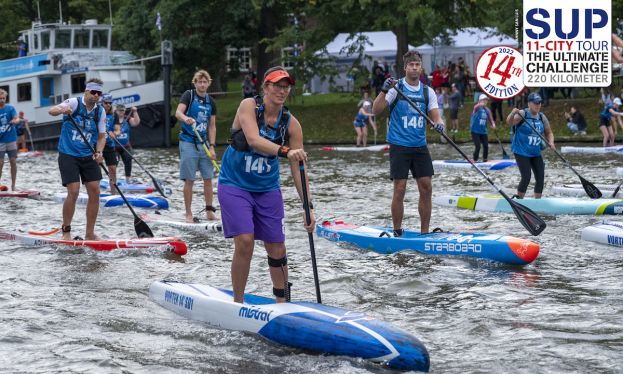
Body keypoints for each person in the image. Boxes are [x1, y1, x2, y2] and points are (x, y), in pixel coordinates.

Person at [217, 66, 315, 303]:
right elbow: (253, 139)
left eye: (286, 87)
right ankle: (237, 303)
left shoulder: (292, 125)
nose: (282, 91)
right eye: (277, 86)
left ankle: (283, 303)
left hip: (267, 189)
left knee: (277, 248)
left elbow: (297, 169)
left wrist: (307, 207)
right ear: (265, 87)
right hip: (235, 185)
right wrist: (285, 151)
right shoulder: (248, 106)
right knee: (245, 241)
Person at [372, 50, 442, 236]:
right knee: (400, 188)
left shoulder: (428, 92)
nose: (414, 67)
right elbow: (375, 110)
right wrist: (384, 90)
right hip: (399, 145)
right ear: (405, 68)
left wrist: (439, 125)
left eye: (417, 64)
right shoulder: (396, 88)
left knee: (426, 187)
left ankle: (424, 233)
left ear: (421, 67)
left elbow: (436, 117)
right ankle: (397, 231)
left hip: (420, 146)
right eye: (411, 65)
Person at [48, 78, 107, 240]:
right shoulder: (74, 103)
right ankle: (66, 231)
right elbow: (52, 111)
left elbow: (102, 136)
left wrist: (99, 152)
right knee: (73, 191)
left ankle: (90, 233)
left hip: (88, 155)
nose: (95, 96)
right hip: (68, 154)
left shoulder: (100, 111)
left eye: (99, 93)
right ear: (86, 91)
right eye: (93, 92)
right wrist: (62, 109)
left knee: (95, 192)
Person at [175, 69, 218, 223]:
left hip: (204, 144)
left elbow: (212, 126)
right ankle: (188, 213)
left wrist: (212, 146)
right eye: (199, 82)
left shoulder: (211, 102)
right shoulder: (189, 95)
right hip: (188, 141)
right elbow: (178, 113)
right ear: (195, 83)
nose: (202, 84)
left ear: (208, 83)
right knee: (189, 179)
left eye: (204, 82)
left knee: (208, 178)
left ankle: (209, 211)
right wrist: (186, 118)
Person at [506, 93, 554, 199]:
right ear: (529, 103)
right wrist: (512, 113)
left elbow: (549, 132)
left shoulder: (542, 117)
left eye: (539, 103)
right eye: (535, 103)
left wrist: (551, 142)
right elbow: (510, 123)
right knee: (526, 177)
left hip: (535, 152)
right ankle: (518, 199)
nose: (538, 105)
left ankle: (537, 202)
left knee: (540, 178)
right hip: (521, 151)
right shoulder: (523, 114)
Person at [112, 104, 140, 182]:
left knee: (128, 161)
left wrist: (135, 112)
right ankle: (113, 180)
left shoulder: (127, 119)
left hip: (125, 146)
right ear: (116, 111)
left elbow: (136, 123)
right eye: (119, 110)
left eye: (122, 110)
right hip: (115, 147)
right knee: (114, 164)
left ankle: (128, 179)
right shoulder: (112, 119)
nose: (121, 112)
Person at [0, 89, 20, 191]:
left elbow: (17, 118)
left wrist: (15, 121)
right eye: (0, 98)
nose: (2, 100)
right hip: (0, 141)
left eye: (3, 98)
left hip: (11, 139)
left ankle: (13, 185)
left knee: (13, 161)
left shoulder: (10, 108)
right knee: (1, 162)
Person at [101, 94, 120, 193]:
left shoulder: (114, 114)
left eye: (110, 103)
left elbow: (117, 130)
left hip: (109, 144)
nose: (108, 105)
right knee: (95, 167)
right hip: (97, 144)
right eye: (106, 103)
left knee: (112, 168)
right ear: (102, 103)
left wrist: (114, 134)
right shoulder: (97, 112)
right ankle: (93, 191)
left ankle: (113, 192)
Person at [470, 94, 496, 162]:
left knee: (486, 146)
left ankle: (485, 159)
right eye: (484, 100)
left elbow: (491, 119)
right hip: (475, 131)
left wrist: (493, 124)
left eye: (486, 100)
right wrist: (479, 104)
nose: (485, 101)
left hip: (483, 131)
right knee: (478, 146)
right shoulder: (477, 108)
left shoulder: (487, 110)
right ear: (480, 100)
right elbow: (475, 107)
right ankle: (474, 159)